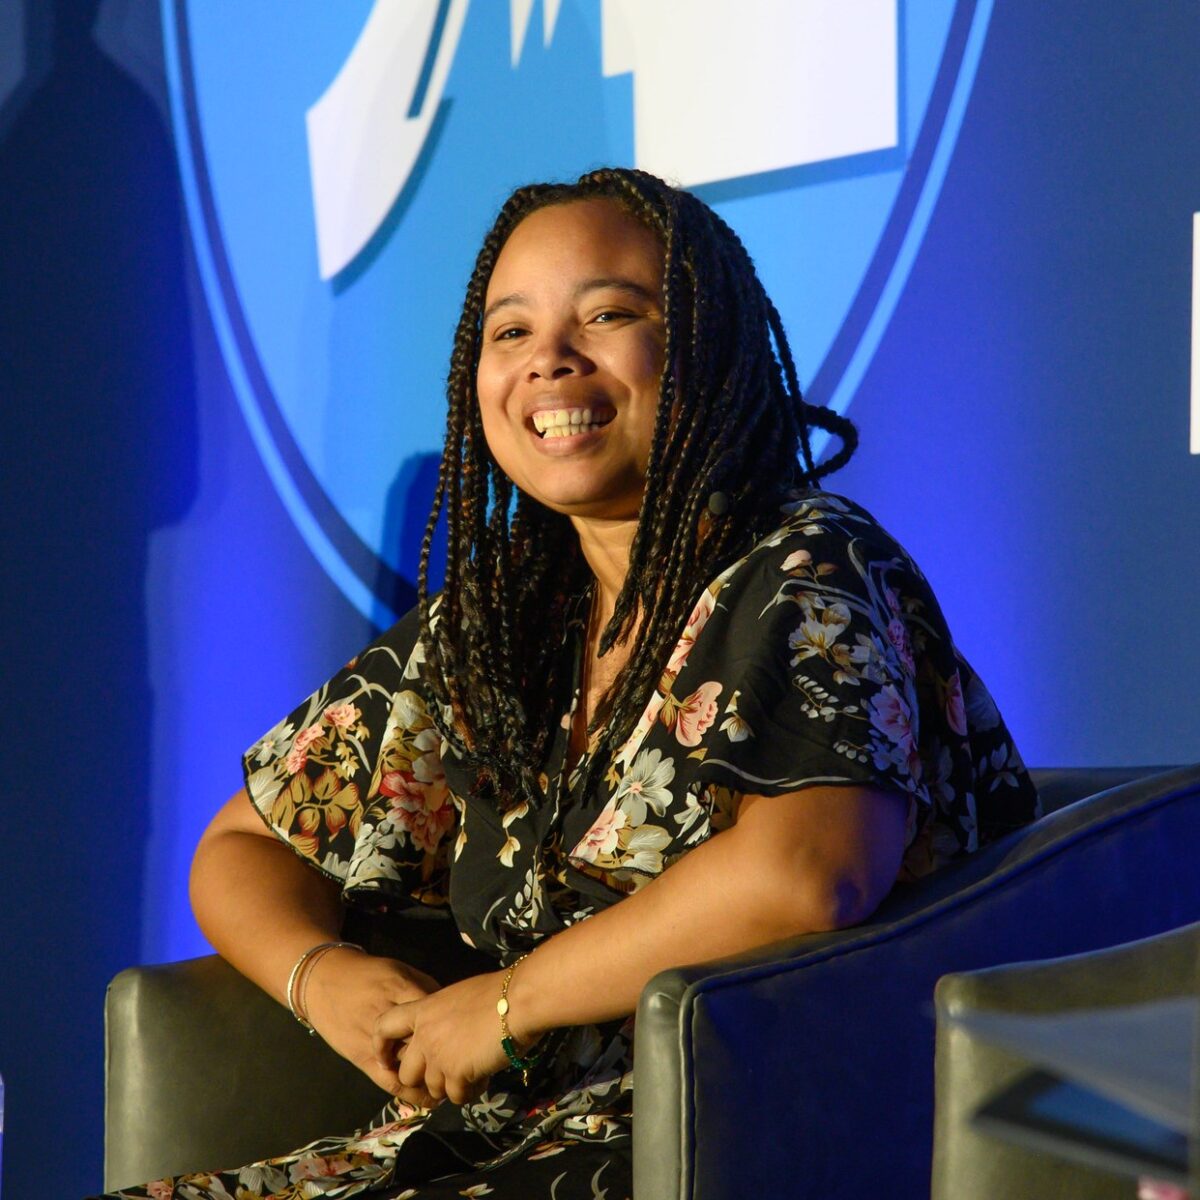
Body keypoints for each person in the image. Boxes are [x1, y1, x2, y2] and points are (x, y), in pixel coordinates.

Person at [94, 167, 1039, 1200]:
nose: (549, 358)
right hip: (484, 1144)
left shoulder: (808, 565)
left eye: (611, 314)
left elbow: (810, 872)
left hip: (732, 1140)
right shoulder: (502, 626)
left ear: (705, 351)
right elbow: (240, 845)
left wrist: (508, 1004)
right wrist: (328, 983)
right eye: (511, 332)